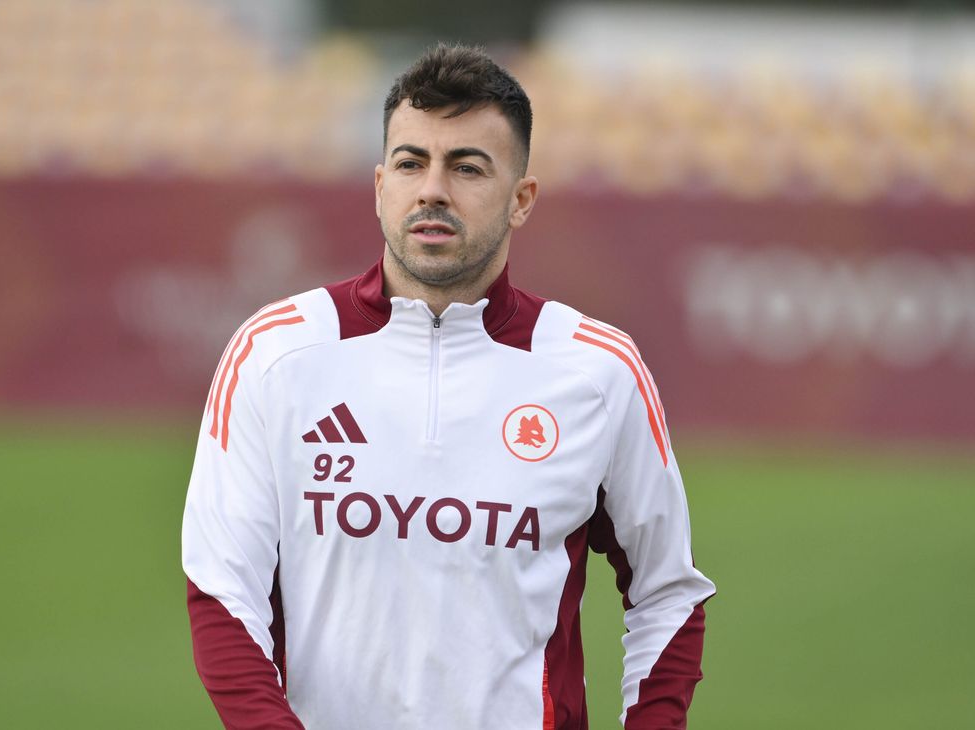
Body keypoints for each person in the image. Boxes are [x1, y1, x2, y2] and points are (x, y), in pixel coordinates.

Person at [181, 43, 715, 730]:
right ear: (380, 186)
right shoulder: (278, 351)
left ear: (521, 200)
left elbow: (668, 591)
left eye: (467, 167)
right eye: (411, 162)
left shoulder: (597, 369)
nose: (432, 188)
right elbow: (223, 591)